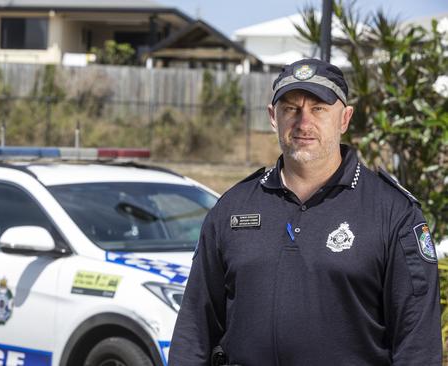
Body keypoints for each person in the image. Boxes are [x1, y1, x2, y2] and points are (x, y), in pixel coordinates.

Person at [169, 58, 442, 366]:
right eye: (291, 109)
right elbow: (194, 330)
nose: (303, 123)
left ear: (344, 119)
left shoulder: (392, 213)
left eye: (319, 109)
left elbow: (418, 346)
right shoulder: (232, 208)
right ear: (274, 117)